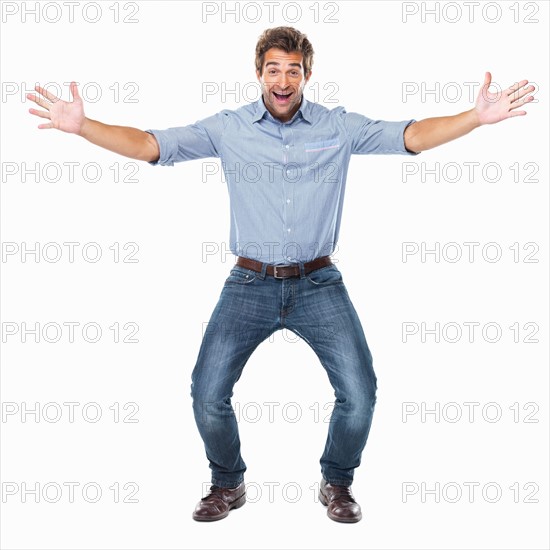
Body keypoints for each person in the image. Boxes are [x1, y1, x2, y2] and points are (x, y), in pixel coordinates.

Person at [27, 26, 534, 524]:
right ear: (258, 73)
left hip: (319, 284)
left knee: (360, 394)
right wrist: (83, 127)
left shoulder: (337, 127)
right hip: (249, 283)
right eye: (274, 69)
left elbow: (411, 135)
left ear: (307, 75)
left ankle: (337, 481)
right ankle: (228, 483)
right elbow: (150, 144)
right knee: (207, 393)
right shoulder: (229, 128)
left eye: (294, 70)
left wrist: (475, 117)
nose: (283, 79)